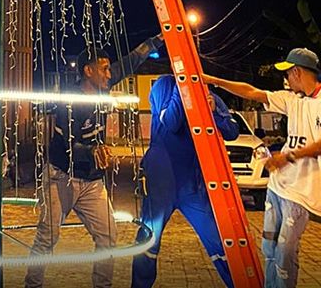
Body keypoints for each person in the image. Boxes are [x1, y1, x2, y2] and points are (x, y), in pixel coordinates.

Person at [25, 34, 164, 288]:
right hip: (61, 178)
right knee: (47, 238)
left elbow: (131, 61)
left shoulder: (104, 86)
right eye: (104, 69)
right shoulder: (70, 101)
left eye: (109, 69)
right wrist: (91, 152)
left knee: (108, 237)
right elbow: (68, 145)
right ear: (88, 71)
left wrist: (156, 40)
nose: (110, 74)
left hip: (91, 182)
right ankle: (32, 285)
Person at [203, 47, 321, 288]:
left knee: (285, 251)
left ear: (297, 72)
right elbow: (253, 92)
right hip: (278, 186)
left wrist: (288, 157)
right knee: (269, 246)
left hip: (302, 192)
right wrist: (214, 81)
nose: (286, 80)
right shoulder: (293, 99)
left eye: (287, 74)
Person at [131, 75, 239, 288]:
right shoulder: (164, 85)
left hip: (192, 183)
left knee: (218, 240)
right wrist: (183, 87)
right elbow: (171, 122)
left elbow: (232, 132)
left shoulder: (208, 94)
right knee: (148, 240)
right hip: (161, 180)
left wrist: (213, 111)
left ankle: (237, 282)